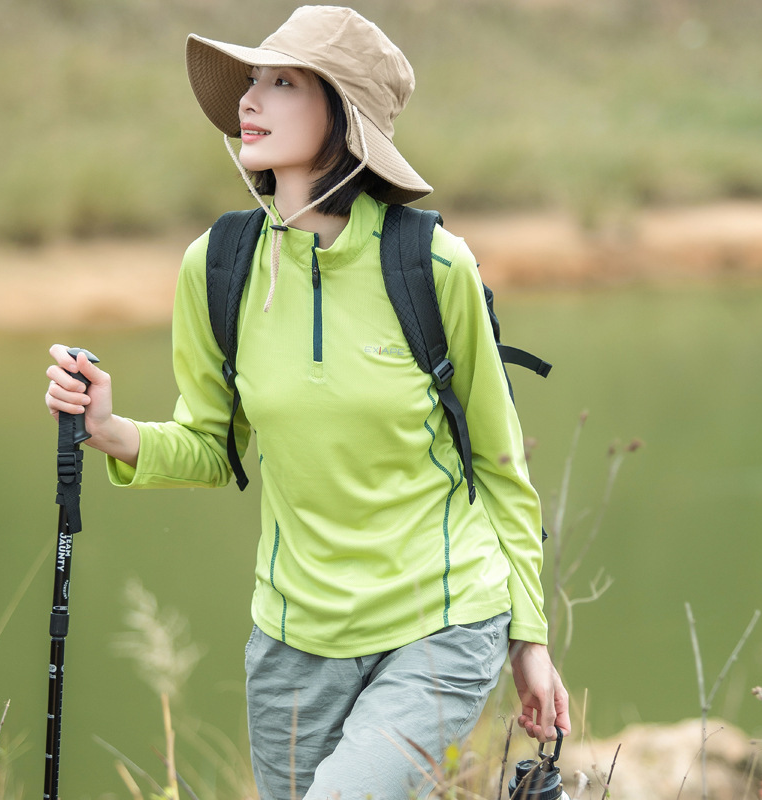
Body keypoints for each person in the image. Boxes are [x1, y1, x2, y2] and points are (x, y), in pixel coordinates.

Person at [45, 6, 570, 798]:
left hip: (442, 622)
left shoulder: (433, 265)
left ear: (344, 117)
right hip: (293, 642)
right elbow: (213, 447)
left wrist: (528, 637)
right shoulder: (217, 266)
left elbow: (498, 465)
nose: (249, 100)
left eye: (283, 83)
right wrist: (108, 429)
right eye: (253, 80)